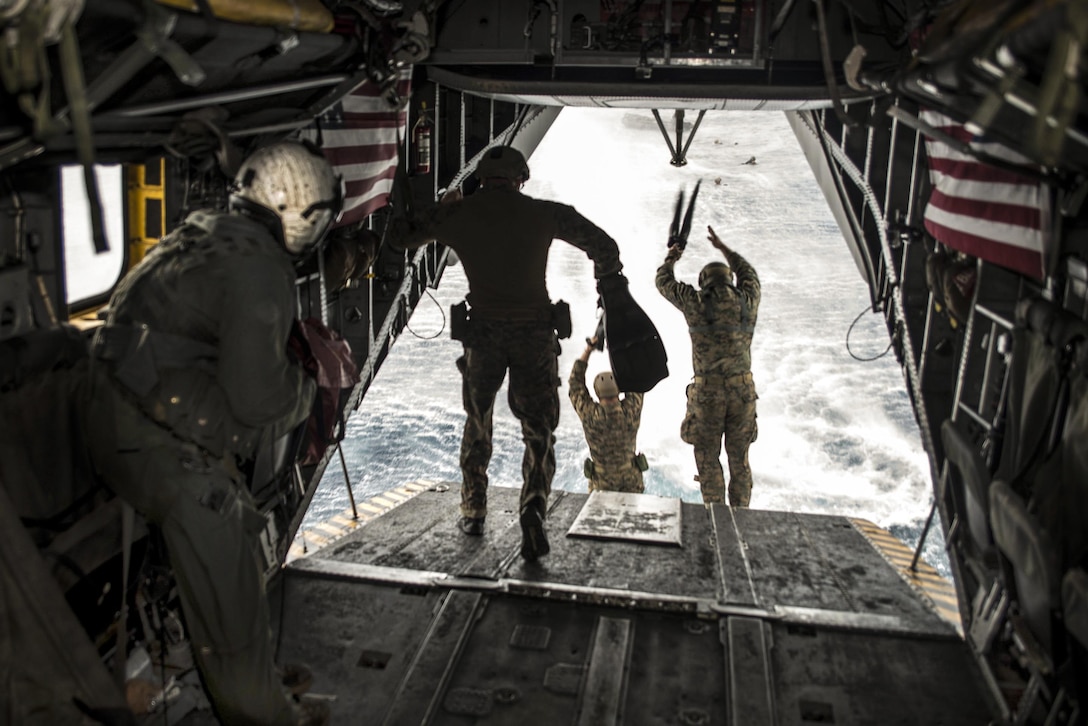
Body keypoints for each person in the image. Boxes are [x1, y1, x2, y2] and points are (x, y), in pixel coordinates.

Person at [82, 140, 339, 725]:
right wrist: (307, 388)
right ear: (302, 219)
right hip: (160, 449)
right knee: (234, 612)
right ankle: (266, 713)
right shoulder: (262, 270)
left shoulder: (197, 234)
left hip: (111, 420)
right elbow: (257, 400)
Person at [387, 145, 625, 560]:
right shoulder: (545, 213)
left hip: (483, 336)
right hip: (534, 335)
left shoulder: (457, 216)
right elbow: (604, 245)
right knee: (538, 430)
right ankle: (533, 506)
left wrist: (447, 207)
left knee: (478, 422)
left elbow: (405, 236)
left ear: (481, 178)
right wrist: (609, 287)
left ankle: (474, 509)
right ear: (521, 179)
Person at [655, 225, 760, 507]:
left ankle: (716, 515)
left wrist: (672, 258)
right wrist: (724, 249)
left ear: (705, 283)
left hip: (708, 395)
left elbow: (663, 282)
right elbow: (749, 274)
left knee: (708, 459)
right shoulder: (747, 302)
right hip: (742, 393)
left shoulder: (696, 302)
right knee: (740, 461)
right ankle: (742, 515)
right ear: (729, 280)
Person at [569, 336, 646, 493]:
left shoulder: (589, 413)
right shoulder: (631, 410)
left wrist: (588, 350)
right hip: (631, 480)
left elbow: (575, 383)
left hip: (601, 484)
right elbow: (636, 379)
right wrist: (624, 347)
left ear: (597, 392)